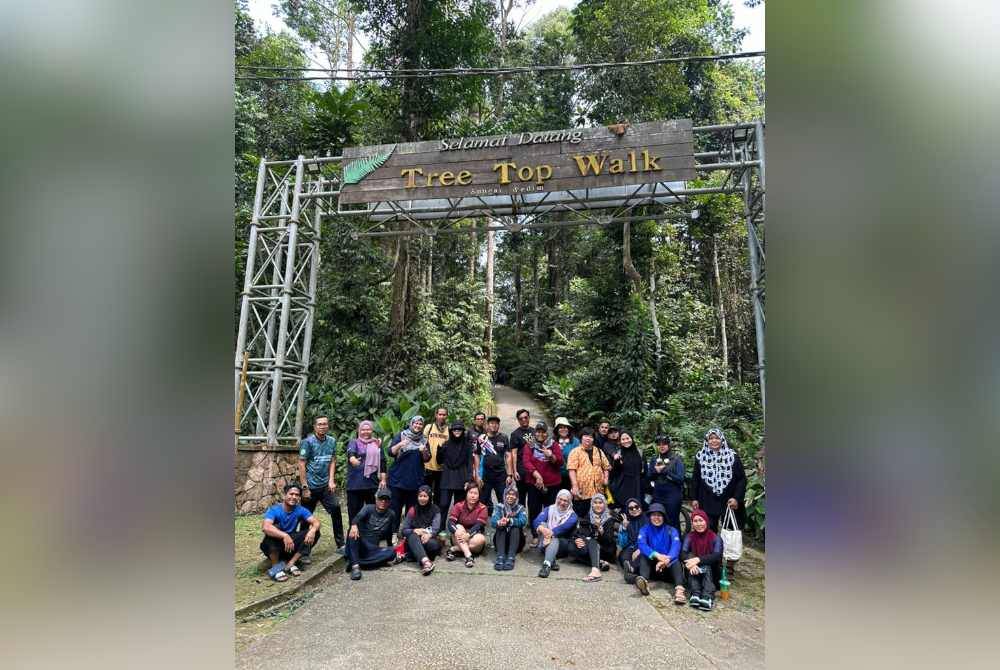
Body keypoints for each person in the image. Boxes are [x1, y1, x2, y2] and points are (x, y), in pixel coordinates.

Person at [298, 416, 344, 555]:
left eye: (325, 424)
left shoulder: (331, 441)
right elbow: (301, 463)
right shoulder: (307, 442)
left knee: (336, 508)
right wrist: (305, 487)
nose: (323, 426)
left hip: (325, 486)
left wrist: (331, 480)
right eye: (320, 424)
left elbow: (332, 460)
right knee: (306, 518)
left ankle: (341, 544)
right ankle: (303, 552)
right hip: (310, 487)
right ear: (315, 427)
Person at [260, 483, 321, 582]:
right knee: (269, 537)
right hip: (277, 543)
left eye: (297, 495)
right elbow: (265, 527)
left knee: (316, 533)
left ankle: (292, 562)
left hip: (291, 543)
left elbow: (316, 522)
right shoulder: (274, 509)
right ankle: (276, 567)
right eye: (291, 494)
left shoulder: (300, 510)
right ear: (285, 495)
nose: (294, 497)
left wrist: (313, 530)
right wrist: (284, 535)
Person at [692, 428, 747, 532]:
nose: (714, 441)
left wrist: (736, 498)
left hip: (728, 500)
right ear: (707, 441)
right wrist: (694, 498)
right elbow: (696, 478)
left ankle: (729, 549)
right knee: (708, 529)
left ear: (722, 439)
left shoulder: (732, 456)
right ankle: (712, 548)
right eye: (711, 438)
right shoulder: (700, 457)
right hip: (707, 500)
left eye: (717, 438)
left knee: (730, 531)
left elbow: (741, 479)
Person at [521, 422, 564, 548]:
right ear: (535, 433)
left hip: (552, 484)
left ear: (547, 433)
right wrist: (537, 475)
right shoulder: (530, 445)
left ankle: (549, 534)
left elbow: (560, 462)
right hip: (534, 483)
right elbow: (526, 461)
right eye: (538, 431)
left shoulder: (554, 445)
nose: (540, 434)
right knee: (534, 509)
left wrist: (551, 456)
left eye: (543, 431)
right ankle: (535, 535)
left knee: (551, 510)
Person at [634, 503, 686, 604]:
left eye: (659, 515)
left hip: (668, 568)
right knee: (644, 556)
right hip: (653, 567)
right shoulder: (644, 529)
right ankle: (644, 583)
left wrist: (666, 560)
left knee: (675, 560)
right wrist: (657, 555)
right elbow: (642, 545)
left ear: (664, 517)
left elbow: (676, 546)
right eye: (653, 515)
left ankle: (679, 591)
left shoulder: (672, 530)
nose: (656, 518)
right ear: (649, 517)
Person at [346, 487, 402, 580]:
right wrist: (354, 525)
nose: (383, 502)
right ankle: (355, 567)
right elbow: (357, 518)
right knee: (351, 531)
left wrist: (392, 548)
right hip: (361, 544)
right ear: (376, 499)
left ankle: (355, 562)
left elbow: (390, 534)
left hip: (373, 549)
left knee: (392, 553)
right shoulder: (368, 508)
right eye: (381, 499)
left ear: (389, 502)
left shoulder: (391, 514)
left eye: (386, 499)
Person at [387, 415, 432, 533]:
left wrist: (424, 451)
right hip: (398, 480)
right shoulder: (402, 435)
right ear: (411, 424)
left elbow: (427, 459)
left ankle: (407, 534)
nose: (417, 426)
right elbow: (390, 452)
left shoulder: (424, 440)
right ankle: (393, 533)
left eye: (420, 424)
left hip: (415, 481)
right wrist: (400, 445)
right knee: (395, 509)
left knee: (411, 510)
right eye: (415, 423)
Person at [345, 420, 388, 524]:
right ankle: (352, 537)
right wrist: (353, 459)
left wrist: (383, 480)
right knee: (354, 515)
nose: (366, 432)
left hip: (371, 485)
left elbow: (382, 463)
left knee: (372, 514)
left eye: (368, 429)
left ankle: (370, 537)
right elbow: (351, 454)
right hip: (355, 485)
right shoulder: (353, 442)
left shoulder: (377, 444)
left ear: (371, 430)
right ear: (359, 430)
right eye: (363, 429)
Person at [568, 493, 617, 582]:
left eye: (600, 502)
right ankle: (600, 563)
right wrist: (577, 539)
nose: (598, 505)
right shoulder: (589, 516)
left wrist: (600, 531)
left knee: (592, 541)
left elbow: (609, 541)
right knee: (572, 547)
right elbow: (579, 532)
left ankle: (596, 571)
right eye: (595, 502)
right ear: (592, 504)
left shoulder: (609, 519)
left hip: (605, 550)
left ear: (604, 504)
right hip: (591, 548)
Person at [682, 509, 724, 611]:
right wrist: (692, 563)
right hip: (693, 572)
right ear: (692, 523)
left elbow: (716, 555)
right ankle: (695, 594)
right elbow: (683, 553)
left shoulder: (715, 537)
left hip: (712, 574)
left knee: (706, 564)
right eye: (695, 521)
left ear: (706, 521)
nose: (698, 524)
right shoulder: (689, 536)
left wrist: (698, 559)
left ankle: (707, 596)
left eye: (701, 520)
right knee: (690, 557)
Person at [533, 489, 578, 578]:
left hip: (562, 546)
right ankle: (552, 560)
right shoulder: (549, 509)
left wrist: (548, 533)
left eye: (565, 501)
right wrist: (543, 529)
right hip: (546, 542)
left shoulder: (572, 516)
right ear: (556, 498)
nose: (562, 502)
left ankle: (546, 565)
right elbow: (536, 521)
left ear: (569, 502)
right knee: (542, 524)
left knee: (554, 537)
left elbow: (561, 529)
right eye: (560, 499)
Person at [567, 428, 611, 518]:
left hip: (598, 492)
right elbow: (572, 470)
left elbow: (606, 467)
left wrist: (606, 478)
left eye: (591, 437)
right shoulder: (575, 452)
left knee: (597, 517)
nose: (588, 438)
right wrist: (574, 486)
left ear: (593, 439)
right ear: (581, 438)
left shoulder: (599, 451)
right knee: (581, 517)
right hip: (582, 492)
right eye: (586, 436)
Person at [400, 484, 442, 576]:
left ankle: (413, 555)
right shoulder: (413, 509)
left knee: (434, 545)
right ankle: (426, 562)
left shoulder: (435, 509)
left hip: (428, 540)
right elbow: (404, 530)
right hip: (414, 539)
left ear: (429, 497)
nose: (422, 499)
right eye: (420, 496)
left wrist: (429, 535)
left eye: (425, 496)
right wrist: (414, 530)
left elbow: (436, 529)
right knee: (412, 536)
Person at [445, 482, 489, 567]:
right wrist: (456, 531)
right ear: (466, 493)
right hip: (459, 536)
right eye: (470, 493)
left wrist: (468, 535)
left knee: (481, 539)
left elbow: (479, 525)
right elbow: (450, 522)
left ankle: (454, 549)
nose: (473, 496)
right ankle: (468, 555)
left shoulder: (483, 508)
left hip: (474, 539)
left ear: (479, 495)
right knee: (458, 526)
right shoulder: (458, 505)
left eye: (475, 493)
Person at [477, 415, 514, 515]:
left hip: (500, 475)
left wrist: (510, 474)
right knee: (482, 501)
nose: (494, 425)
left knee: (504, 500)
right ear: (487, 425)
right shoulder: (482, 438)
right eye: (492, 423)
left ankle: (505, 523)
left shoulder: (504, 437)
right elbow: (476, 455)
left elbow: (508, 456)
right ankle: (480, 525)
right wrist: (477, 474)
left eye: (496, 423)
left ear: (499, 425)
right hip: (486, 475)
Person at [648, 435, 684, 531]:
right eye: (659, 444)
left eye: (664, 444)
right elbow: (649, 477)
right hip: (658, 494)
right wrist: (656, 471)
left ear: (668, 445)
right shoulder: (654, 459)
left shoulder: (676, 459)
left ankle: (676, 544)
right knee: (658, 520)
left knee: (672, 521)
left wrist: (665, 471)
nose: (661, 446)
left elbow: (680, 479)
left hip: (673, 494)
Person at [439, 421, 474, 513]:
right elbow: (439, 461)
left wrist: (468, 480)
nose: (457, 431)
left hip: (461, 477)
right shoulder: (446, 444)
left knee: (459, 505)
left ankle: (456, 525)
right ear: (451, 431)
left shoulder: (467, 446)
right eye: (455, 429)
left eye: (459, 429)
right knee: (444, 504)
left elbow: (470, 463)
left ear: (463, 431)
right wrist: (440, 451)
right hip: (447, 477)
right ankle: (441, 526)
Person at [490, 485, 527, 571]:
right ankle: (500, 556)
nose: (510, 496)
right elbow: (493, 521)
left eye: (513, 494)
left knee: (515, 527)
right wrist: (499, 522)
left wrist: (510, 521)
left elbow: (523, 521)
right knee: (501, 526)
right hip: (500, 542)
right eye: (508, 494)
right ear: (504, 495)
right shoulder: (499, 507)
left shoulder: (520, 508)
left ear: (517, 497)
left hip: (516, 543)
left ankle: (511, 557)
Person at [608, 430, 645, 511]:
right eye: (623, 439)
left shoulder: (640, 452)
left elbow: (644, 470)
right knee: (626, 510)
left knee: (638, 509)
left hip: (638, 485)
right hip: (624, 487)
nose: (626, 441)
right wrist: (617, 462)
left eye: (627, 438)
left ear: (631, 438)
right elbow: (615, 473)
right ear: (620, 441)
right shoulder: (619, 453)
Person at [616, 497, 648, 584]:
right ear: (628, 510)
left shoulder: (647, 520)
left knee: (641, 558)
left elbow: (649, 539)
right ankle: (637, 578)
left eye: (636, 507)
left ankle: (633, 575)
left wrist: (639, 549)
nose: (634, 509)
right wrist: (624, 528)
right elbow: (622, 543)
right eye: (631, 508)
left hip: (644, 546)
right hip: (630, 547)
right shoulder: (626, 522)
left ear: (640, 507)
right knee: (624, 558)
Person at [423, 407, 450, 506]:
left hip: (442, 469)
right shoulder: (429, 427)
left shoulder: (449, 430)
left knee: (438, 495)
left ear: (447, 416)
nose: (442, 416)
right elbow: (422, 442)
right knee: (426, 493)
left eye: (444, 415)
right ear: (436, 415)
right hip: (428, 466)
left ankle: (436, 515)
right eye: (440, 414)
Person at [508, 408, 534, 505]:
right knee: (521, 498)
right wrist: (515, 471)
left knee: (533, 498)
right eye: (521, 418)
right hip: (521, 469)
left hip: (533, 469)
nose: (523, 420)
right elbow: (513, 453)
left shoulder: (534, 431)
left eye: (525, 417)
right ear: (518, 420)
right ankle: (521, 519)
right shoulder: (515, 434)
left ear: (529, 418)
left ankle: (533, 520)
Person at [554, 417, 580, 492]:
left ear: (568, 428)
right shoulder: (552, 441)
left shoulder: (576, 442)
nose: (563, 429)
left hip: (572, 476)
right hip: (556, 476)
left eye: (565, 427)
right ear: (557, 430)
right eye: (560, 427)